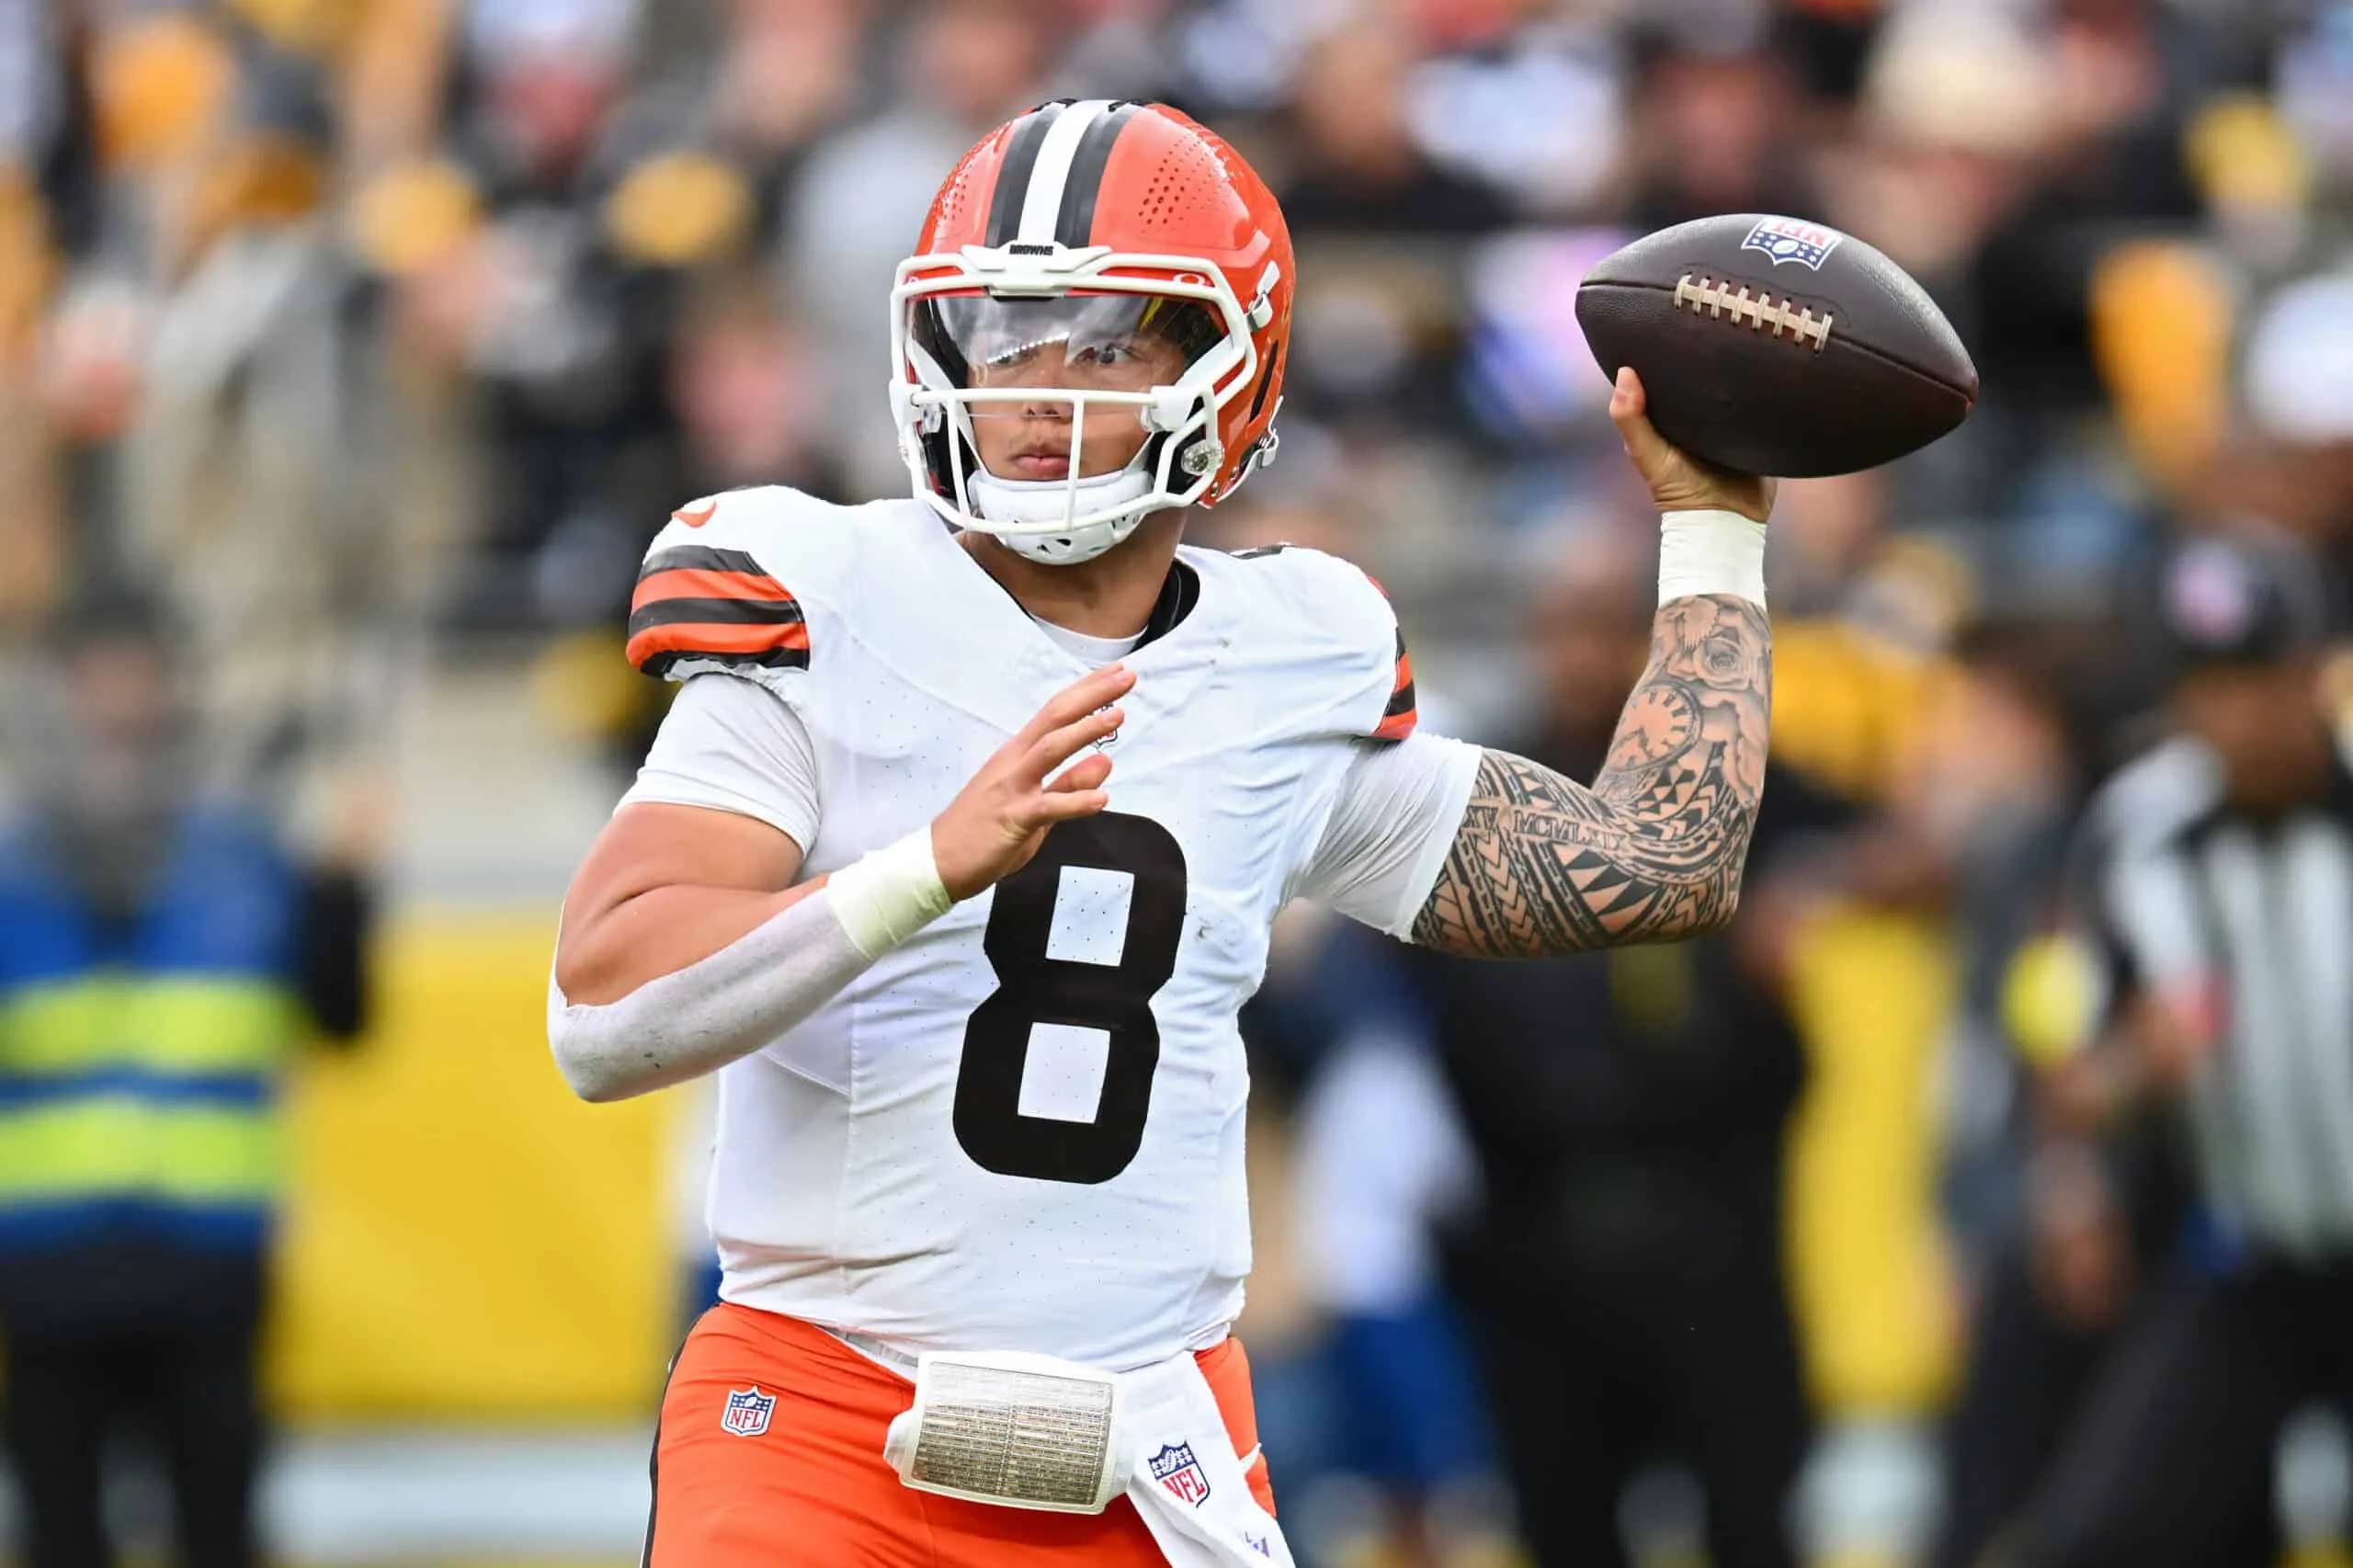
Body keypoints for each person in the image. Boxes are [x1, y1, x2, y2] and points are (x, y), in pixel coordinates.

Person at [549, 98, 1778, 1568]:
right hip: (822, 1424)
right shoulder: (822, 598)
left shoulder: (1282, 656)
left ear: (1233, 368)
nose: (1036, 384)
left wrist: (1713, 528)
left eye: (1105, 336)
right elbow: (601, 1009)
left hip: (1158, 1445)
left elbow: (1660, 862)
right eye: (1003, 332)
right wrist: (926, 865)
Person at [0, 595, 373, 1568]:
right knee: (59, 1533)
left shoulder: (245, 853)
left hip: (206, 1265)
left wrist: (345, 883)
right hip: (48, 1267)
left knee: (219, 1529)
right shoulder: (12, 866)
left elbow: (341, 1016)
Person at [2006, 529, 2353, 1568]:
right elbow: (2066, 1074)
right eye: (2207, 687)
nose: (2235, 716)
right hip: (2241, 1258)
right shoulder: (2133, 831)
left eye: (2259, 678)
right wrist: (2122, 1085)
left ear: (2313, 668)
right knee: (2101, 1535)